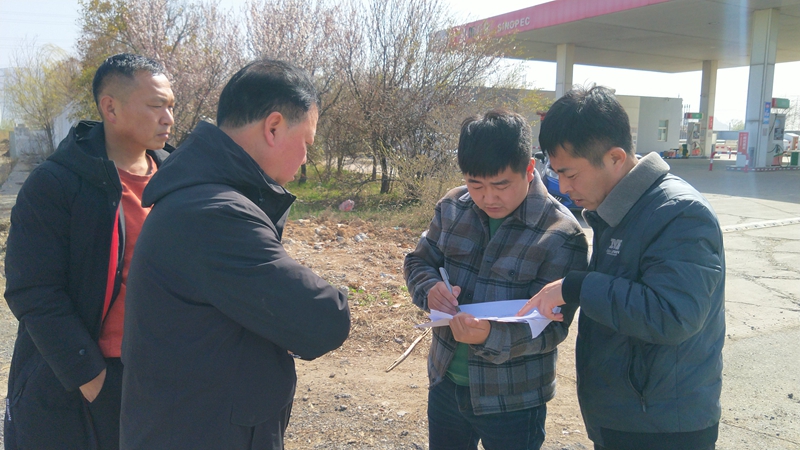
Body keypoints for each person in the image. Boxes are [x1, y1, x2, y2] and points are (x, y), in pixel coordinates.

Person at [119, 59, 351, 449]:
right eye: (306, 143)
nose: (305, 158)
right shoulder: (214, 213)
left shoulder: (200, 196)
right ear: (273, 127)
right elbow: (324, 320)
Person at [518, 86, 725, 450]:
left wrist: (576, 287)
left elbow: (673, 314)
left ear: (615, 157)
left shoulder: (678, 213)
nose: (563, 187)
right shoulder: (619, 209)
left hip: (663, 428)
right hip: (626, 416)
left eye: (571, 174)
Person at [4, 53, 175, 449]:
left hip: (164, 374)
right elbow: (33, 291)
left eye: (171, 106)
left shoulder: (179, 180)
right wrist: (91, 379)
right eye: (156, 106)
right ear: (110, 108)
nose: (168, 118)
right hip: (85, 384)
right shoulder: (57, 184)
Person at [404, 109, 589, 450]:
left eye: (501, 185)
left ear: (529, 169)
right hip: (446, 383)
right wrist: (429, 289)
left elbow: (553, 328)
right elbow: (419, 261)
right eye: (476, 184)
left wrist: (490, 336)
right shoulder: (452, 207)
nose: (488, 198)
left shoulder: (561, 233)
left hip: (514, 398)